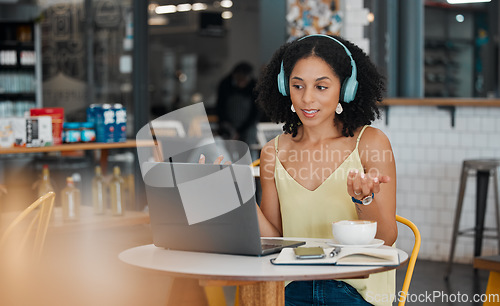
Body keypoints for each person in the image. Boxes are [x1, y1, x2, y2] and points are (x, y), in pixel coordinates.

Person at [254, 34, 397, 305]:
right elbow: (273, 241)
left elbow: (386, 238)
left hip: (355, 289)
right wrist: (239, 198)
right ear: (285, 88)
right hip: (293, 286)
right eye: (298, 86)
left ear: (346, 89)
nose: (307, 99)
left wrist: (362, 199)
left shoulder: (370, 143)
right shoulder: (272, 153)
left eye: (321, 87)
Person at [216, 61, 260, 146]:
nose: (241, 82)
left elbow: (255, 112)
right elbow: (220, 107)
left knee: (247, 150)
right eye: (238, 79)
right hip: (228, 126)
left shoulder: (254, 87)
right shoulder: (225, 84)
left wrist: (240, 131)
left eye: (243, 80)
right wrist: (228, 127)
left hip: (248, 127)